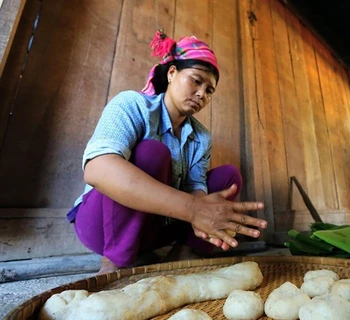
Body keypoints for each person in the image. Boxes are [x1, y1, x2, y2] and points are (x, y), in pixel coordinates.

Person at [67, 30, 267, 274]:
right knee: (153, 153)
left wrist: (207, 212)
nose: (202, 94)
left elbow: (197, 186)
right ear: (172, 73)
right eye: (196, 80)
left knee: (228, 177)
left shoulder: (200, 137)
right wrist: (194, 209)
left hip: (154, 229)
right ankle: (116, 263)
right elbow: (97, 170)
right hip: (101, 227)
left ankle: (185, 254)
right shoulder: (132, 104)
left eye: (210, 90)